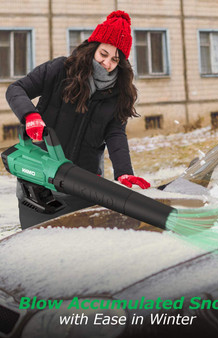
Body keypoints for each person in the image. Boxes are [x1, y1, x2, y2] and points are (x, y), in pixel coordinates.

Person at [6, 10, 150, 230]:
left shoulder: (119, 93)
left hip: (84, 184)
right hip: (39, 179)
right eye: (103, 53)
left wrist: (124, 172)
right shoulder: (60, 70)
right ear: (93, 47)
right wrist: (30, 115)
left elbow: (116, 134)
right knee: (37, 244)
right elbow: (17, 89)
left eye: (115, 59)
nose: (107, 63)